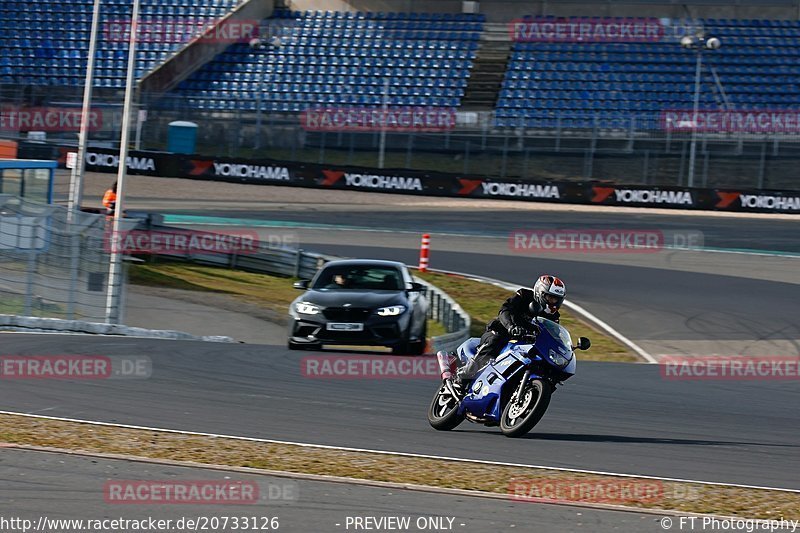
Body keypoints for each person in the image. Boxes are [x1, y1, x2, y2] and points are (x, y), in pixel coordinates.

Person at [454, 275, 567, 386]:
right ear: (540, 293)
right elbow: (505, 310)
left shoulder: (554, 317)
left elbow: (552, 334)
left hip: (526, 343)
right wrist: (511, 327)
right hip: (503, 331)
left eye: (556, 299)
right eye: (550, 298)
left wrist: (563, 347)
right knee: (495, 340)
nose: (553, 302)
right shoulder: (524, 296)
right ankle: (466, 375)